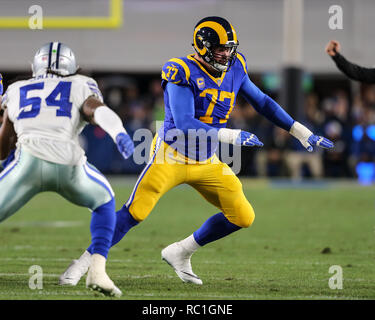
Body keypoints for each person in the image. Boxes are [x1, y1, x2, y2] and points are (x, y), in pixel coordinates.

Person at [60, 17, 333, 286]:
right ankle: (84, 263)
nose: (227, 54)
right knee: (136, 212)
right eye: (220, 49)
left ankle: (180, 251)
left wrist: (299, 130)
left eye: (229, 48)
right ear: (203, 47)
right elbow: (185, 123)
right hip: (171, 154)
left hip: (206, 159)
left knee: (243, 216)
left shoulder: (235, 66)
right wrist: (230, 135)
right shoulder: (181, 70)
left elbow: (262, 101)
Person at [0, 42, 134, 296]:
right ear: (72, 67)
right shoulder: (81, 84)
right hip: (68, 165)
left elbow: (3, 149)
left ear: (35, 66)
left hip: (26, 164)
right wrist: (118, 134)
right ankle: (98, 271)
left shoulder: (16, 89)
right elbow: (98, 111)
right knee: (104, 200)